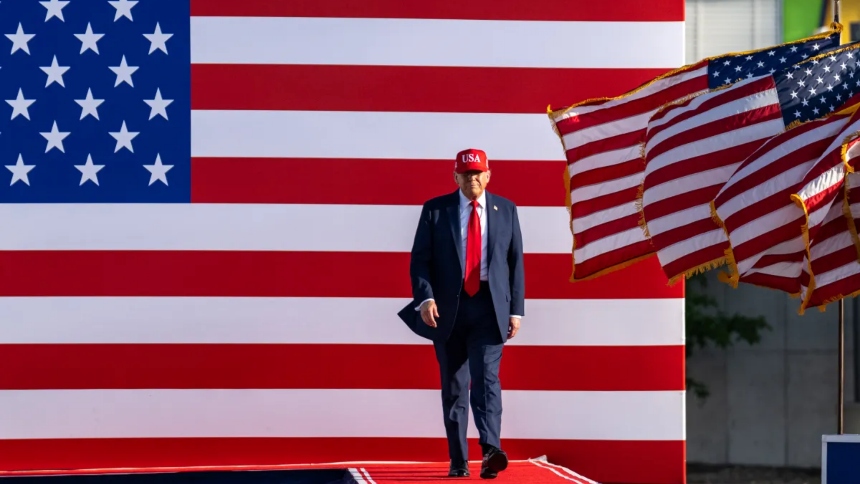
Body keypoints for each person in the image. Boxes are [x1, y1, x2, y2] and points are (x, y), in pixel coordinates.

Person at [397, 148, 525, 479]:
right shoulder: (436, 210)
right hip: (448, 310)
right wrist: (425, 299)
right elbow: (420, 260)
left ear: (488, 175)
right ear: (456, 177)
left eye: (478, 173)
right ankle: (459, 460)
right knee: (455, 386)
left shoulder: (506, 210)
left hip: (489, 307)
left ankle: (491, 451)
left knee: (487, 380)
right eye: (466, 174)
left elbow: (515, 263)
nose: (472, 179)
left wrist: (516, 311)